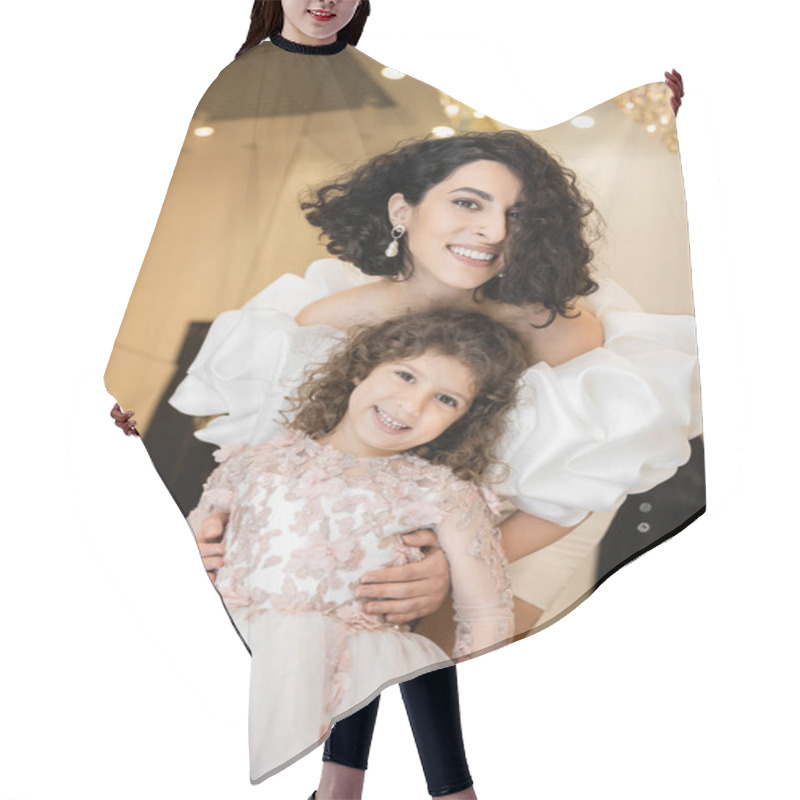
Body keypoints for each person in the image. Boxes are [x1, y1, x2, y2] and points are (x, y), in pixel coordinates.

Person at [108, 4, 695, 799]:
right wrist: (201, 492)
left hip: (520, 521)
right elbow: (284, 449)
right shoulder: (340, 311)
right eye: (466, 202)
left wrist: (452, 574)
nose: (489, 233)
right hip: (382, 509)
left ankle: (414, 783)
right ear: (402, 211)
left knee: (402, 607)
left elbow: (580, 484)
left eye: (514, 216)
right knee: (360, 588)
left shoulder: (552, 326)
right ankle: (345, 780)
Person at [187, 309, 523, 782]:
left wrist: (475, 706)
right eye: (405, 375)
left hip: (358, 674)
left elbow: (486, 614)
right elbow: (195, 546)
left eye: (445, 399)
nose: (411, 405)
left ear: (465, 420)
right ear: (361, 369)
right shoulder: (250, 464)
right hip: (243, 655)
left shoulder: (446, 495)